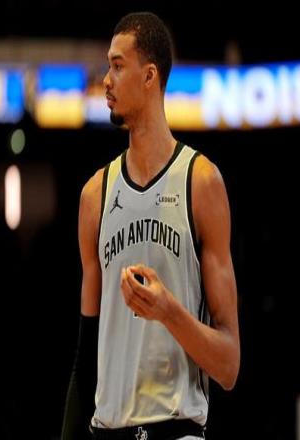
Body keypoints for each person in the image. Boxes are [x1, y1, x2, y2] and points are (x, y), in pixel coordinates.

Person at [61, 11, 240, 440]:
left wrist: (168, 311)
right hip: (108, 429)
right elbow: (86, 357)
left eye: (117, 66)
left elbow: (229, 365)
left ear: (149, 76)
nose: (106, 80)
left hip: (176, 429)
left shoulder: (201, 182)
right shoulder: (94, 196)